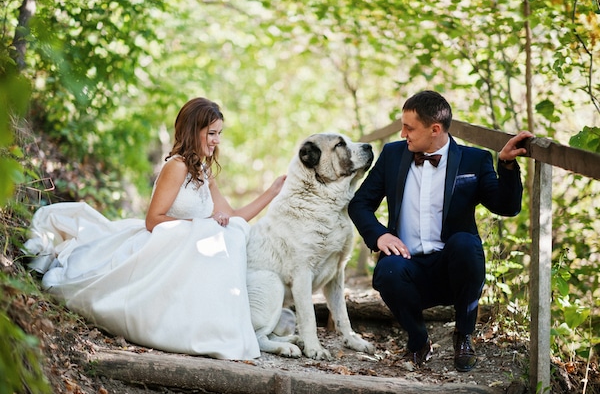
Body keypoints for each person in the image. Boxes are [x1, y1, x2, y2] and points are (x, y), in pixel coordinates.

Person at [25, 97, 286, 360]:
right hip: (160, 249)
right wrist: (200, 226)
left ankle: (214, 326)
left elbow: (234, 218)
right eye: (212, 133)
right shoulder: (177, 166)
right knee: (215, 235)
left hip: (185, 260)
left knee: (230, 233)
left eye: (219, 134)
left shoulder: (204, 172)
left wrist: (272, 192)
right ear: (193, 131)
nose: (217, 140)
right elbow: (153, 219)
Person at [348, 90, 533, 372]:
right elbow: (360, 203)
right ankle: (419, 340)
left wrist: (506, 164)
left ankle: (463, 335)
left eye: (409, 128)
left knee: (465, 244)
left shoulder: (474, 160)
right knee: (387, 270)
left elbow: (507, 207)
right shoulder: (393, 155)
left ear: (435, 129)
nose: (402, 134)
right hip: (408, 267)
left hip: (453, 268)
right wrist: (380, 235)